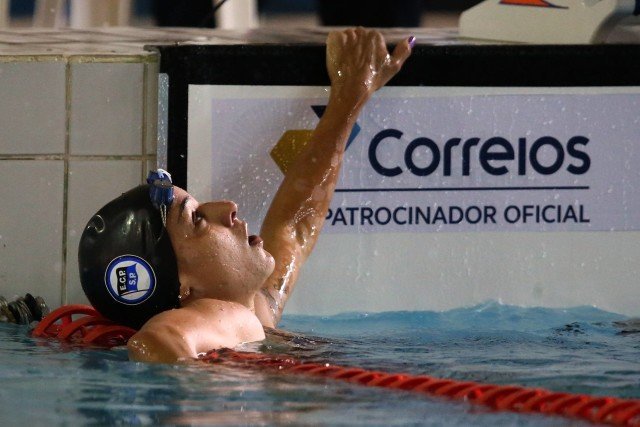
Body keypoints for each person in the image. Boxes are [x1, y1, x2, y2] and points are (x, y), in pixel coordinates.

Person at [78, 28, 414, 363]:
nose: (228, 209)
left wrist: (350, 95)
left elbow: (295, 225)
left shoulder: (249, 315)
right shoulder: (209, 319)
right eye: (196, 219)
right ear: (183, 286)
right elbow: (153, 341)